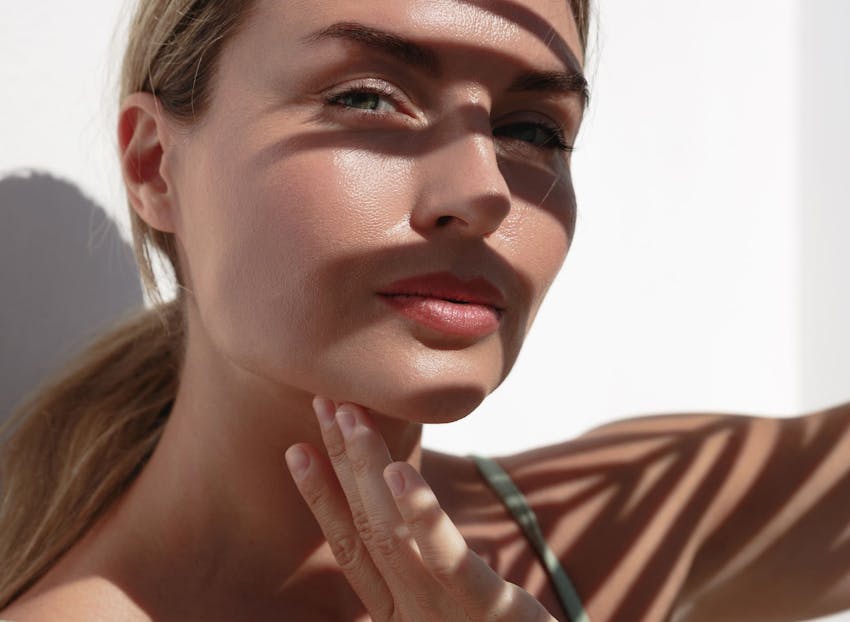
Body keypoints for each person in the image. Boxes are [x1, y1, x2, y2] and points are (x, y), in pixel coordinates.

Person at [0, 0, 847, 620]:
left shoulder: (596, 522)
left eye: (536, 130)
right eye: (367, 97)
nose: (484, 191)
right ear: (155, 167)